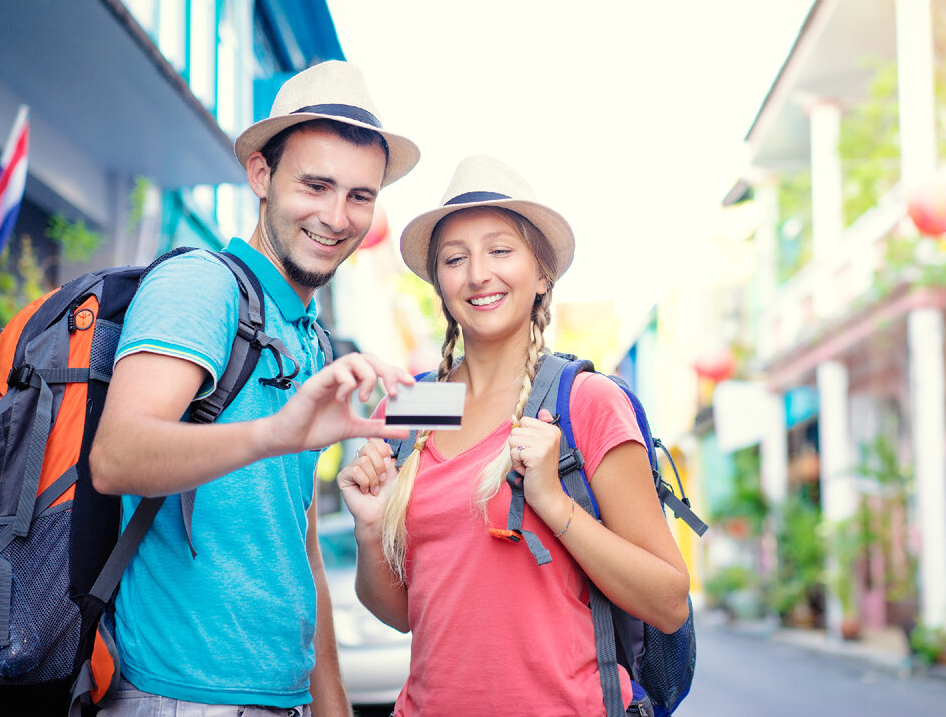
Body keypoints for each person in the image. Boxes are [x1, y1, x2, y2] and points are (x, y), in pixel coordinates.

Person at [89, 60, 420, 717]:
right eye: (317, 185)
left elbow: (293, 541)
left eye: (360, 195)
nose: (336, 216)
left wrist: (331, 705)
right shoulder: (200, 286)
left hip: (281, 699)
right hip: (180, 697)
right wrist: (275, 434)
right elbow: (116, 456)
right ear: (261, 175)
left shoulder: (310, 336)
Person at [339, 155, 691, 716]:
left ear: (542, 273)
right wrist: (371, 528)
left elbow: (669, 603)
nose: (478, 274)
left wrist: (552, 501)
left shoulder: (586, 402)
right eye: (455, 259)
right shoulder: (415, 406)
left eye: (500, 250)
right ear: (440, 283)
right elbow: (405, 613)